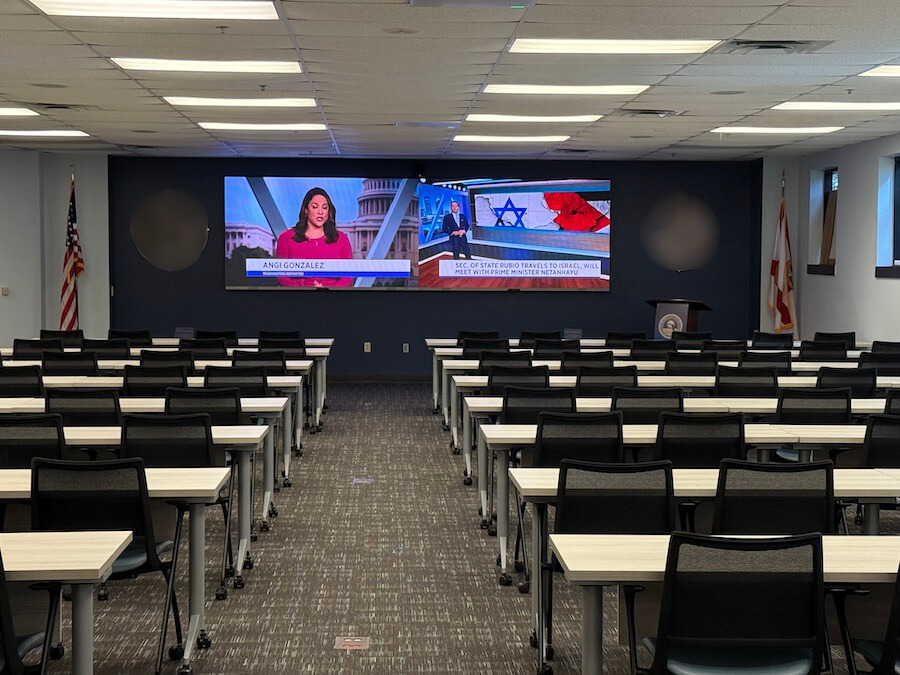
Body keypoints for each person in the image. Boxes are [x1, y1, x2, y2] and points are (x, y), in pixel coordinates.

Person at [275, 187, 353, 287]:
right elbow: (281, 277)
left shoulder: (341, 239)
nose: (320, 212)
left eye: (325, 207)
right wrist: (305, 287)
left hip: (334, 298)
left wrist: (329, 291)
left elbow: (348, 277)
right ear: (306, 210)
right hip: (297, 298)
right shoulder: (286, 238)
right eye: (315, 207)